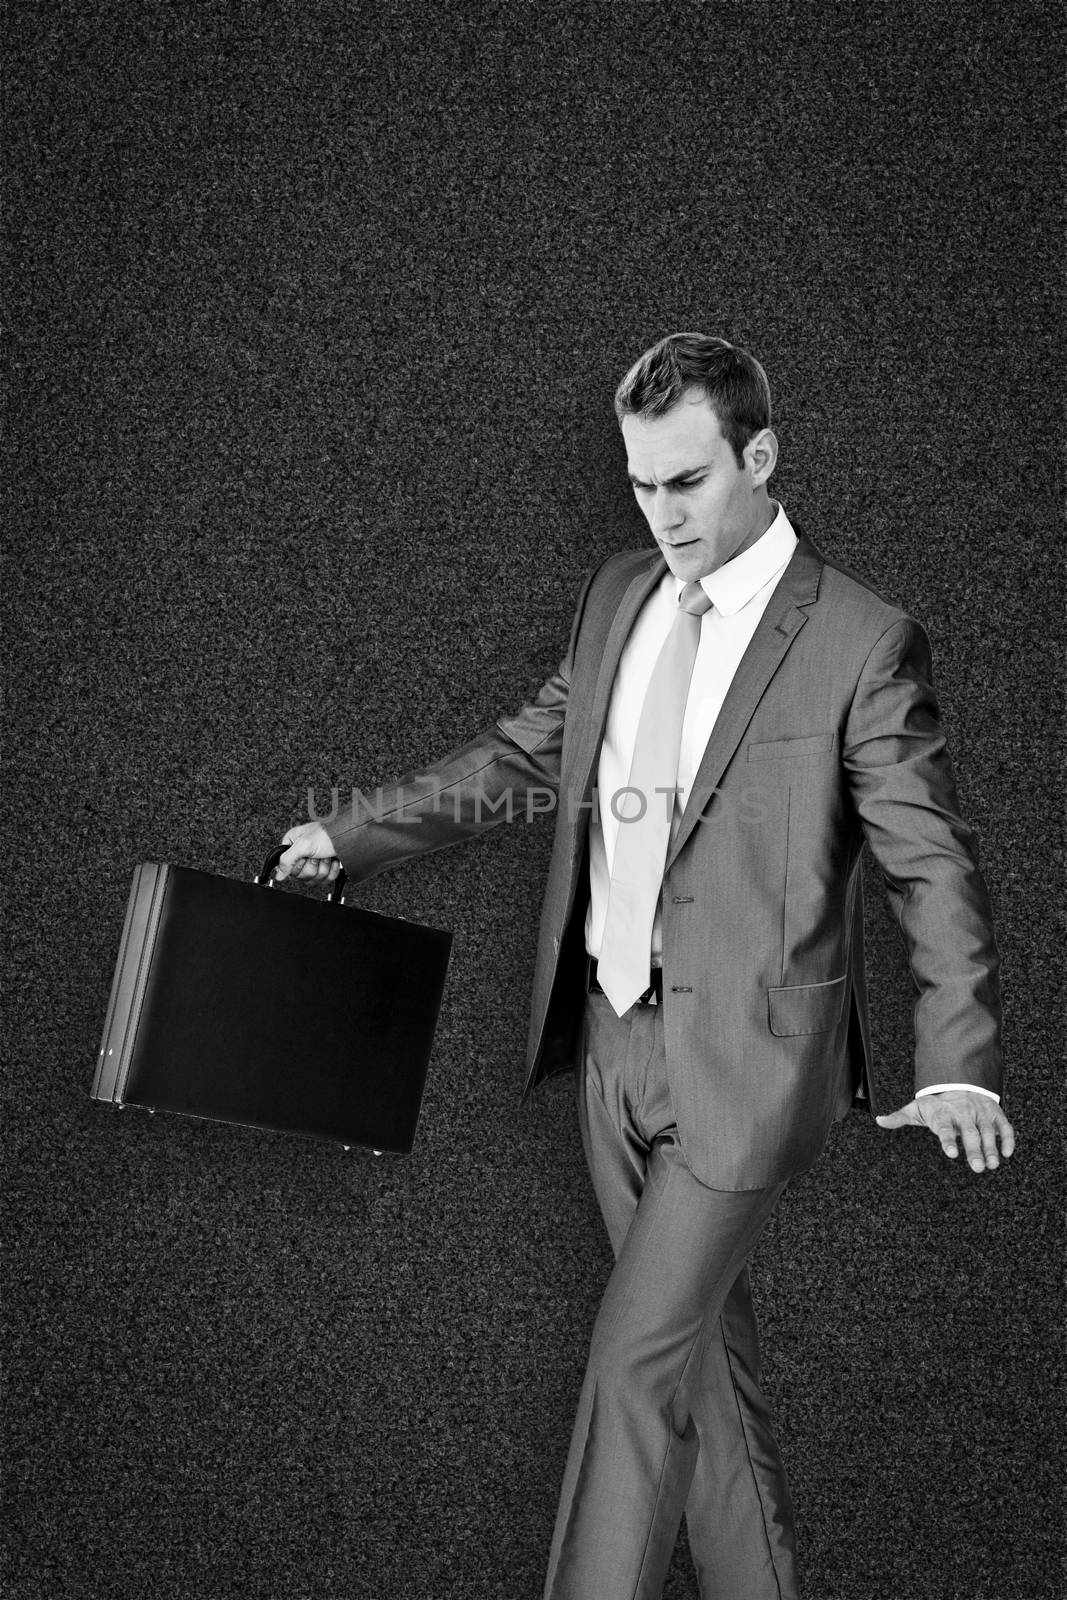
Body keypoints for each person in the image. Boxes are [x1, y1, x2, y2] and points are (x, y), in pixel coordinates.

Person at [276, 332, 1013, 1600]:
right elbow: (521, 754)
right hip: (608, 1050)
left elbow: (928, 862)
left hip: (745, 1068)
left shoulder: (859, 639)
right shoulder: (617, 594)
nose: (659, 514)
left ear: (759, 457)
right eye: (639, 483)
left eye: (686, 481)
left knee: (628, 1372)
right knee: (702, 1389)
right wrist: (349, 831)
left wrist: (960, 1064)